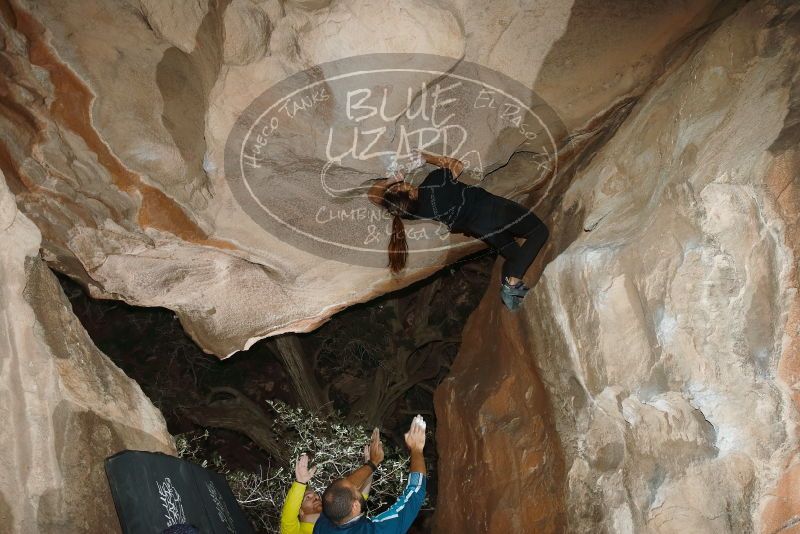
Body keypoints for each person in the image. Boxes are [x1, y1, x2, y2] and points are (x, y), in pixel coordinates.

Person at [368, 150, 549, 311]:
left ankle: (510, 289)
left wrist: (392, 180)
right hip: (493, 209)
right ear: (411, 194)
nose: (402, 184)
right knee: (539, 232)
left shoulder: (411, 212)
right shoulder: (435, 183)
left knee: (514, 254)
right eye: (401, 187)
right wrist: (427, 157)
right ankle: (513, 282)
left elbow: (373, 196)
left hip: (480, 228)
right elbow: (457, 165)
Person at [313, 416, 427, 534]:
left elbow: (343, 488)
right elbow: (415, 493)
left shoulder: (323, 524)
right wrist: (416, 448)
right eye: (356, 489)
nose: (356, 484)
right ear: (355, 506)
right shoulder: (375, 531)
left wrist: (373, 463)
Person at [281, 442, 376, 534]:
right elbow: (287, 519)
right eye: (308, 497)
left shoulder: (338, 521)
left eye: (316, 496)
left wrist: (369, 467)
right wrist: (300, 483)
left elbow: (359, 497)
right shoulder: (296, 532)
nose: (316, 498)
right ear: (300, 511)